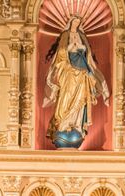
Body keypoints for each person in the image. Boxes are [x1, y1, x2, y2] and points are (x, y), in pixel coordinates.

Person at [43, 14, 109, 145]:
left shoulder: (82, 36)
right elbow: (61, 53)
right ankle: (63, 124)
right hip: (68, 71)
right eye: (75, 22)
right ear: (71, 22)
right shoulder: (65, 35)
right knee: (66, 98)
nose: (76, 24)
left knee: (81, 101)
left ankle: (77, 125)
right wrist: (70, 48)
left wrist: (81, 49)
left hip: (82, 70)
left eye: (78, 22)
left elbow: (88, 54)